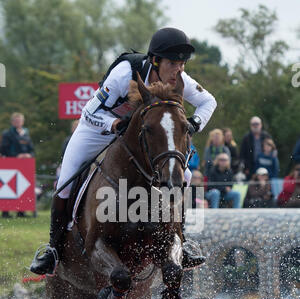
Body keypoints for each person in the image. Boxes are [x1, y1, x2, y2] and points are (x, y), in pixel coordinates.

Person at [30, 27, 217, 275]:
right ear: (155, 60)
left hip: (136, 134)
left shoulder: (178, 79)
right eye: (173, 63)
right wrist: (114, 124)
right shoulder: (124, 73)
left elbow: (209, 102)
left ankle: (182, 241)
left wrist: (194, 124)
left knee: (184, 176)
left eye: (182, 64)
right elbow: (89, 113)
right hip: (97, 127)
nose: (178, 70)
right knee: (66, 181)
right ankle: (53, 249)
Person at [0, 112, 34, 218]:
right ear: (12, 122)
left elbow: (31, 149)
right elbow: (3, 149)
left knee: (22, 187)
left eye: (20, 120)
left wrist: (29, 155)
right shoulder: (7, 134)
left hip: (24, 165)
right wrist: (16, 155)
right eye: (16, 120)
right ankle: (6, 212)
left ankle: (21, 211)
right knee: (7, 187)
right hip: (10, 164)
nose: (18, 122)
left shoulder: (26, 133)